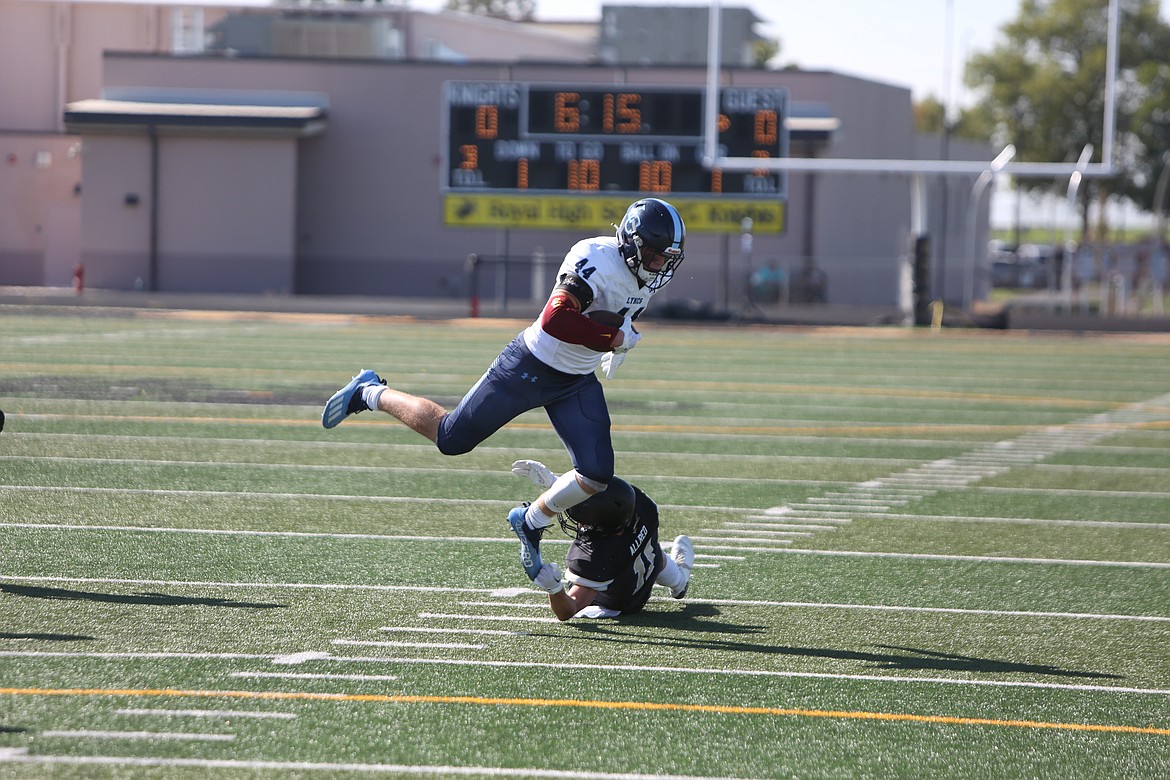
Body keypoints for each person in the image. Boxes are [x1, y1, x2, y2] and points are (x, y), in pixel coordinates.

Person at [321, 198, 687, 580]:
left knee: (596, 473)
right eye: (653, 254)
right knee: (451, 438)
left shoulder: (644, 272)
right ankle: (370, 392)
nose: (659, 265)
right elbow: (555, 320)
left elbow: (612, 315)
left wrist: (612, 342)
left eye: (666, 258)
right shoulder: (595, 256)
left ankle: (530, 521)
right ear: (630, 242)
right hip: (530, 365)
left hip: (576, 380)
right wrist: (613, 336)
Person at [511, 459, 694, 620]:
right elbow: (601, 497)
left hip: (620, 602)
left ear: (602, 525)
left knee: (629, 558)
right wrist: (556, 485)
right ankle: (679, 581)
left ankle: (679, 580)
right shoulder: (640, 505)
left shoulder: (597, 558)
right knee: (649, 550)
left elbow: (567, 611)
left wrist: (554, 590)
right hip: (645, 565)